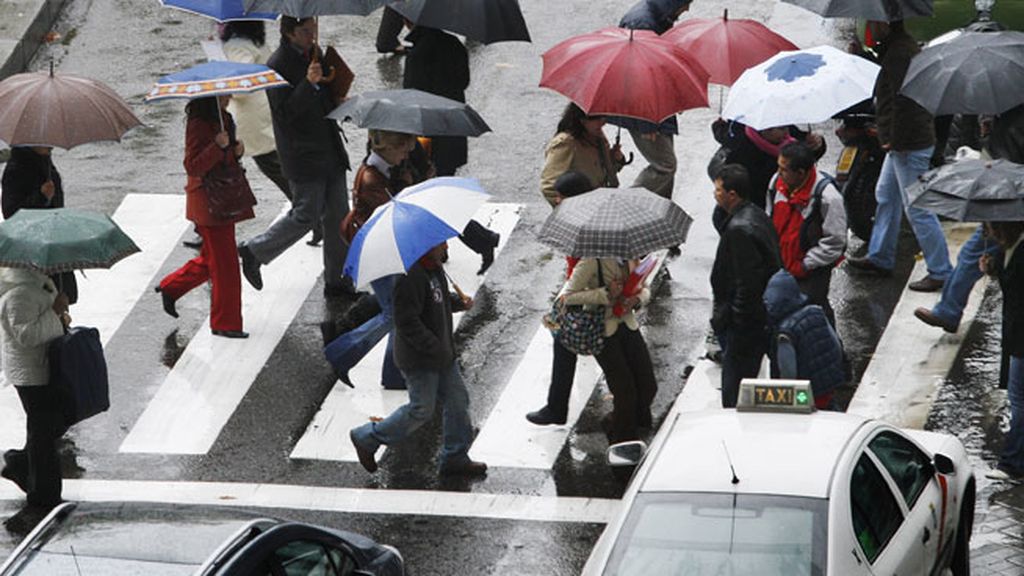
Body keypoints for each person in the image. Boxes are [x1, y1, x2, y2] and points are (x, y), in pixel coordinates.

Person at [349, 241, 487, 477]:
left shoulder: (434, 268)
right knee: (421, 409)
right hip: (420, 358)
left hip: (441, 354)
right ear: (427, 246)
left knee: (457, 402)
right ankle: (367, 436)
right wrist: (435, 347)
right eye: (441, 244)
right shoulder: (409, 277)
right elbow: (406, 322)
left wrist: (457, 302)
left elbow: (436, 301)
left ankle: (455, 456)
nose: (445, 248)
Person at [237, 16, 353, 298]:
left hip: (329, 148)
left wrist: (337, 99)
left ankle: (337, 282)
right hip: (303, 154)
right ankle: (255, 250)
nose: (311, 35)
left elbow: (324, 98)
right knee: (306, 214)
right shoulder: (277, 65)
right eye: (304, 31)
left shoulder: (316, 54)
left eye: (312, 30)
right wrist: (308, 83)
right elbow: (285, 114)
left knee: (339, 217)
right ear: (289, 33)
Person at [846, 20, 952, 293]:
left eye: (874, 22)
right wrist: (861, 54)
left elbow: (903, 101)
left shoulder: (900, 53)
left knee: (917, 207)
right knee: (886, 196)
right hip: (905, 141)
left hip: (908, 143)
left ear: (885, 23)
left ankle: (940, 270)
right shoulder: (897, 48)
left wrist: (894, 139)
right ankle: (880, 257)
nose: (870, 26)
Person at [916, 104, 1024, 333]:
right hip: (1009, 203)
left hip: (1007, 207)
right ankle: (948, 310)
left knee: (975, 255)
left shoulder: (1011, 126)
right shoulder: (1009, 121)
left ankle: (948, 311)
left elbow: (1001, 167)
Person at [324, 130, 417, 389]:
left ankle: (393, 374)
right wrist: (407, 185)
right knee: (395, 313)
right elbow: (392, 212)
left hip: (384, 248)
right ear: (391, 146)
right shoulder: (371, 178)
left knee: (397, 311)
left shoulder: (385, 171)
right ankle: (342, 353)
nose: (406, 155)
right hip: (377, 251)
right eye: (404, 150)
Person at [156, 95, 253, 339]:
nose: (229, 97)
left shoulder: (225, 119)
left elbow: (224, 159)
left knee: (214, 258)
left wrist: (235, 150)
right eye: (223, 94)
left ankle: (172, 287)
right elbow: (193, 166)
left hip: (222, 198)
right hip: (209, 203)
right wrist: (218, 146)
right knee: (226, 264)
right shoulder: (199, 124)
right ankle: (226, 322)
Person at [0, 266, 70, 531]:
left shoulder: (37, 282)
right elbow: (27, 335)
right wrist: (55, 311)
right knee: (43, 431)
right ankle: (43, 497)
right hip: (31, 371)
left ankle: (20, 464)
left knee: (48, 426)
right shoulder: (19, 293)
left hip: (42, 366)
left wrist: (58, 311)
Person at [559, 254, 657, 443]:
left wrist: (636, 300)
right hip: (602, 331)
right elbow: (566, 296)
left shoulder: (631, 255)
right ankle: (622, 441)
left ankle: (615, 422)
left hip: (627, 324)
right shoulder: (591, 260)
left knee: (648, 386)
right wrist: (605, 294)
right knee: (624, 392)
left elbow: (644, 288)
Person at [527, 171, 596, 425]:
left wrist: (567, 295)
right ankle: (556, 407)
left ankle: (556, 408)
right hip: (582, 293)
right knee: (568, 345)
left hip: (586, 297)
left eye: (561, 197)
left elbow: (585, 266)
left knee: (593, 348)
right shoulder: (581, 219)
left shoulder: (585, 226)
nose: (557, 201)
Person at [710, 164, 782, 408]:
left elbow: (746, 283)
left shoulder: (739, 230)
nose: (715, 194)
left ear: (733, 194)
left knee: (736, 384)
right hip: (756, 316)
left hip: (745, 323)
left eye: (718, 190)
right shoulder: (754, 214)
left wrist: (736, 322)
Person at [611, 0, 693, 201]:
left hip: (656, 104)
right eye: (686, 3)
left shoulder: (657, 16)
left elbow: (659, 65)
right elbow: (636, 75)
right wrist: (647, 120)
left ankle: (658, 212)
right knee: (665, 165)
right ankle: (625, 204)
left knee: (665, 166)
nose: (687, 9)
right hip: (644, 109)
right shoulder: (643, 24)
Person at [767, 141, 847, 325]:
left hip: (811, 270)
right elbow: (769, 215)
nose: (779, 174)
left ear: (801, 173)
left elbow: (836, 242)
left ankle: (832, 350)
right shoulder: (776, 184)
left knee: (813, 311)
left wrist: (805, 264)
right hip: (783, 263)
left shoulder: (828, 197)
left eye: (784, 169)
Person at [1, 146, 77, 304]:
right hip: (32, 249)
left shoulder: (46, 163)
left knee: (60, 299)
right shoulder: (16, 169)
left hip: (53, 241)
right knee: (39, 300)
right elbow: (11, 213)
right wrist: (41, 197)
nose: (50, 145)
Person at [763, 269, 845, 410]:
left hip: (805, 395)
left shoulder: (785, 333)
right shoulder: (816, 311)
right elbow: (837, 346)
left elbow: (788, 375)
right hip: (827, 387)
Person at [982, 221, 1024, 481]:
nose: (989, 234)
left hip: (1021, 338)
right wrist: (993, 268)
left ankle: (1013, 462)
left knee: (1019, 400)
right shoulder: (1010, 250)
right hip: (1016, 336)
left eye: (992, 228)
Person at [709, 119, 826, 210]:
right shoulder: (742, 148)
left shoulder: (789, 137)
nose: (786, 133)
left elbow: (806, 156)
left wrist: (816, 145)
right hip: (756, 207)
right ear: (764, 129)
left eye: (786, 127)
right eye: (780, 129)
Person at [539, 103, 625, 207]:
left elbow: (603, 172)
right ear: (582, 120)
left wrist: (616, 159)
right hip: (581, 209)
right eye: (596, 119)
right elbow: (549, 186)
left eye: (604, 117)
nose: (603, 123)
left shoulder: (597, 137)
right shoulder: (566, 143)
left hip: (601, 202)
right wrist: (570, 208)